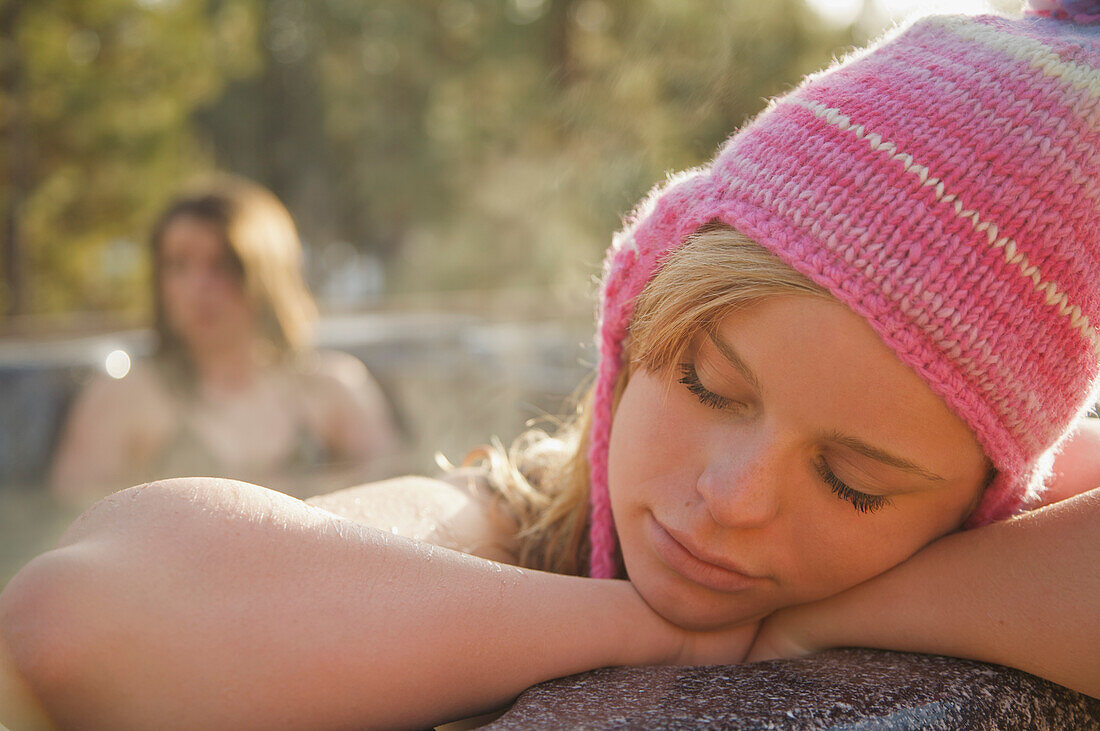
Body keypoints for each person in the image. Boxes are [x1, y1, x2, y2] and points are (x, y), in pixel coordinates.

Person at [2, 3, 1099, 728]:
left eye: (848, 481)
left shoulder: (984, 512)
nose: (731, 500)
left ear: (986, 494)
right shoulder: (515, 508)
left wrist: (843, 616)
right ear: (627, 340)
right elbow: (80, 610)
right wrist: (662, 625)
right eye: (707, 385)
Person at [48, 176, 399, 507]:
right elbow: (72, 531)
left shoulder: (332, 388)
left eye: (222, 265)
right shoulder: (124, 398)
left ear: (265, 274)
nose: (198, 288)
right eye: (178, 265)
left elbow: (395, 513)